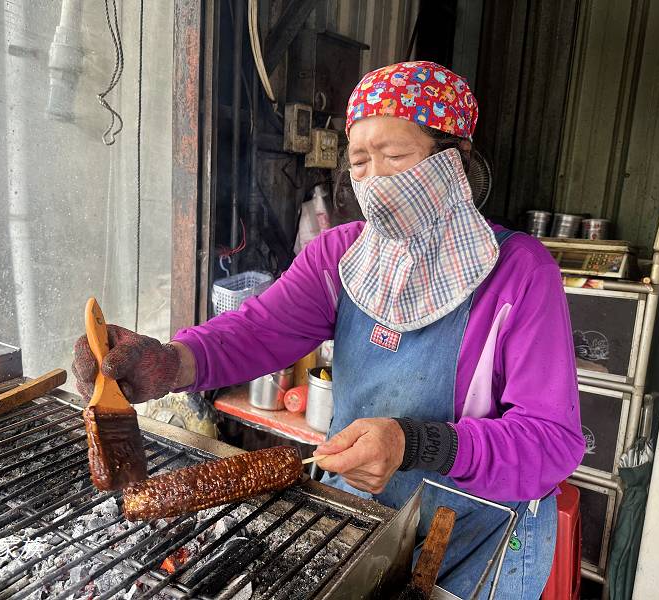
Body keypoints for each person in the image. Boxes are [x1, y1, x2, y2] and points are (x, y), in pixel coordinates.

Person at [72, 61, 584, 599]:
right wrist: (172, 362)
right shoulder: (342, 256)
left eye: (395, 156)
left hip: (477, 540)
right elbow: (258, 331)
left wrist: (414, 443)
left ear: (453, 161)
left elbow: (551, 441)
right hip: (362, 519)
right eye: (360, 160)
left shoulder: (520, 274)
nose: (375, 179)